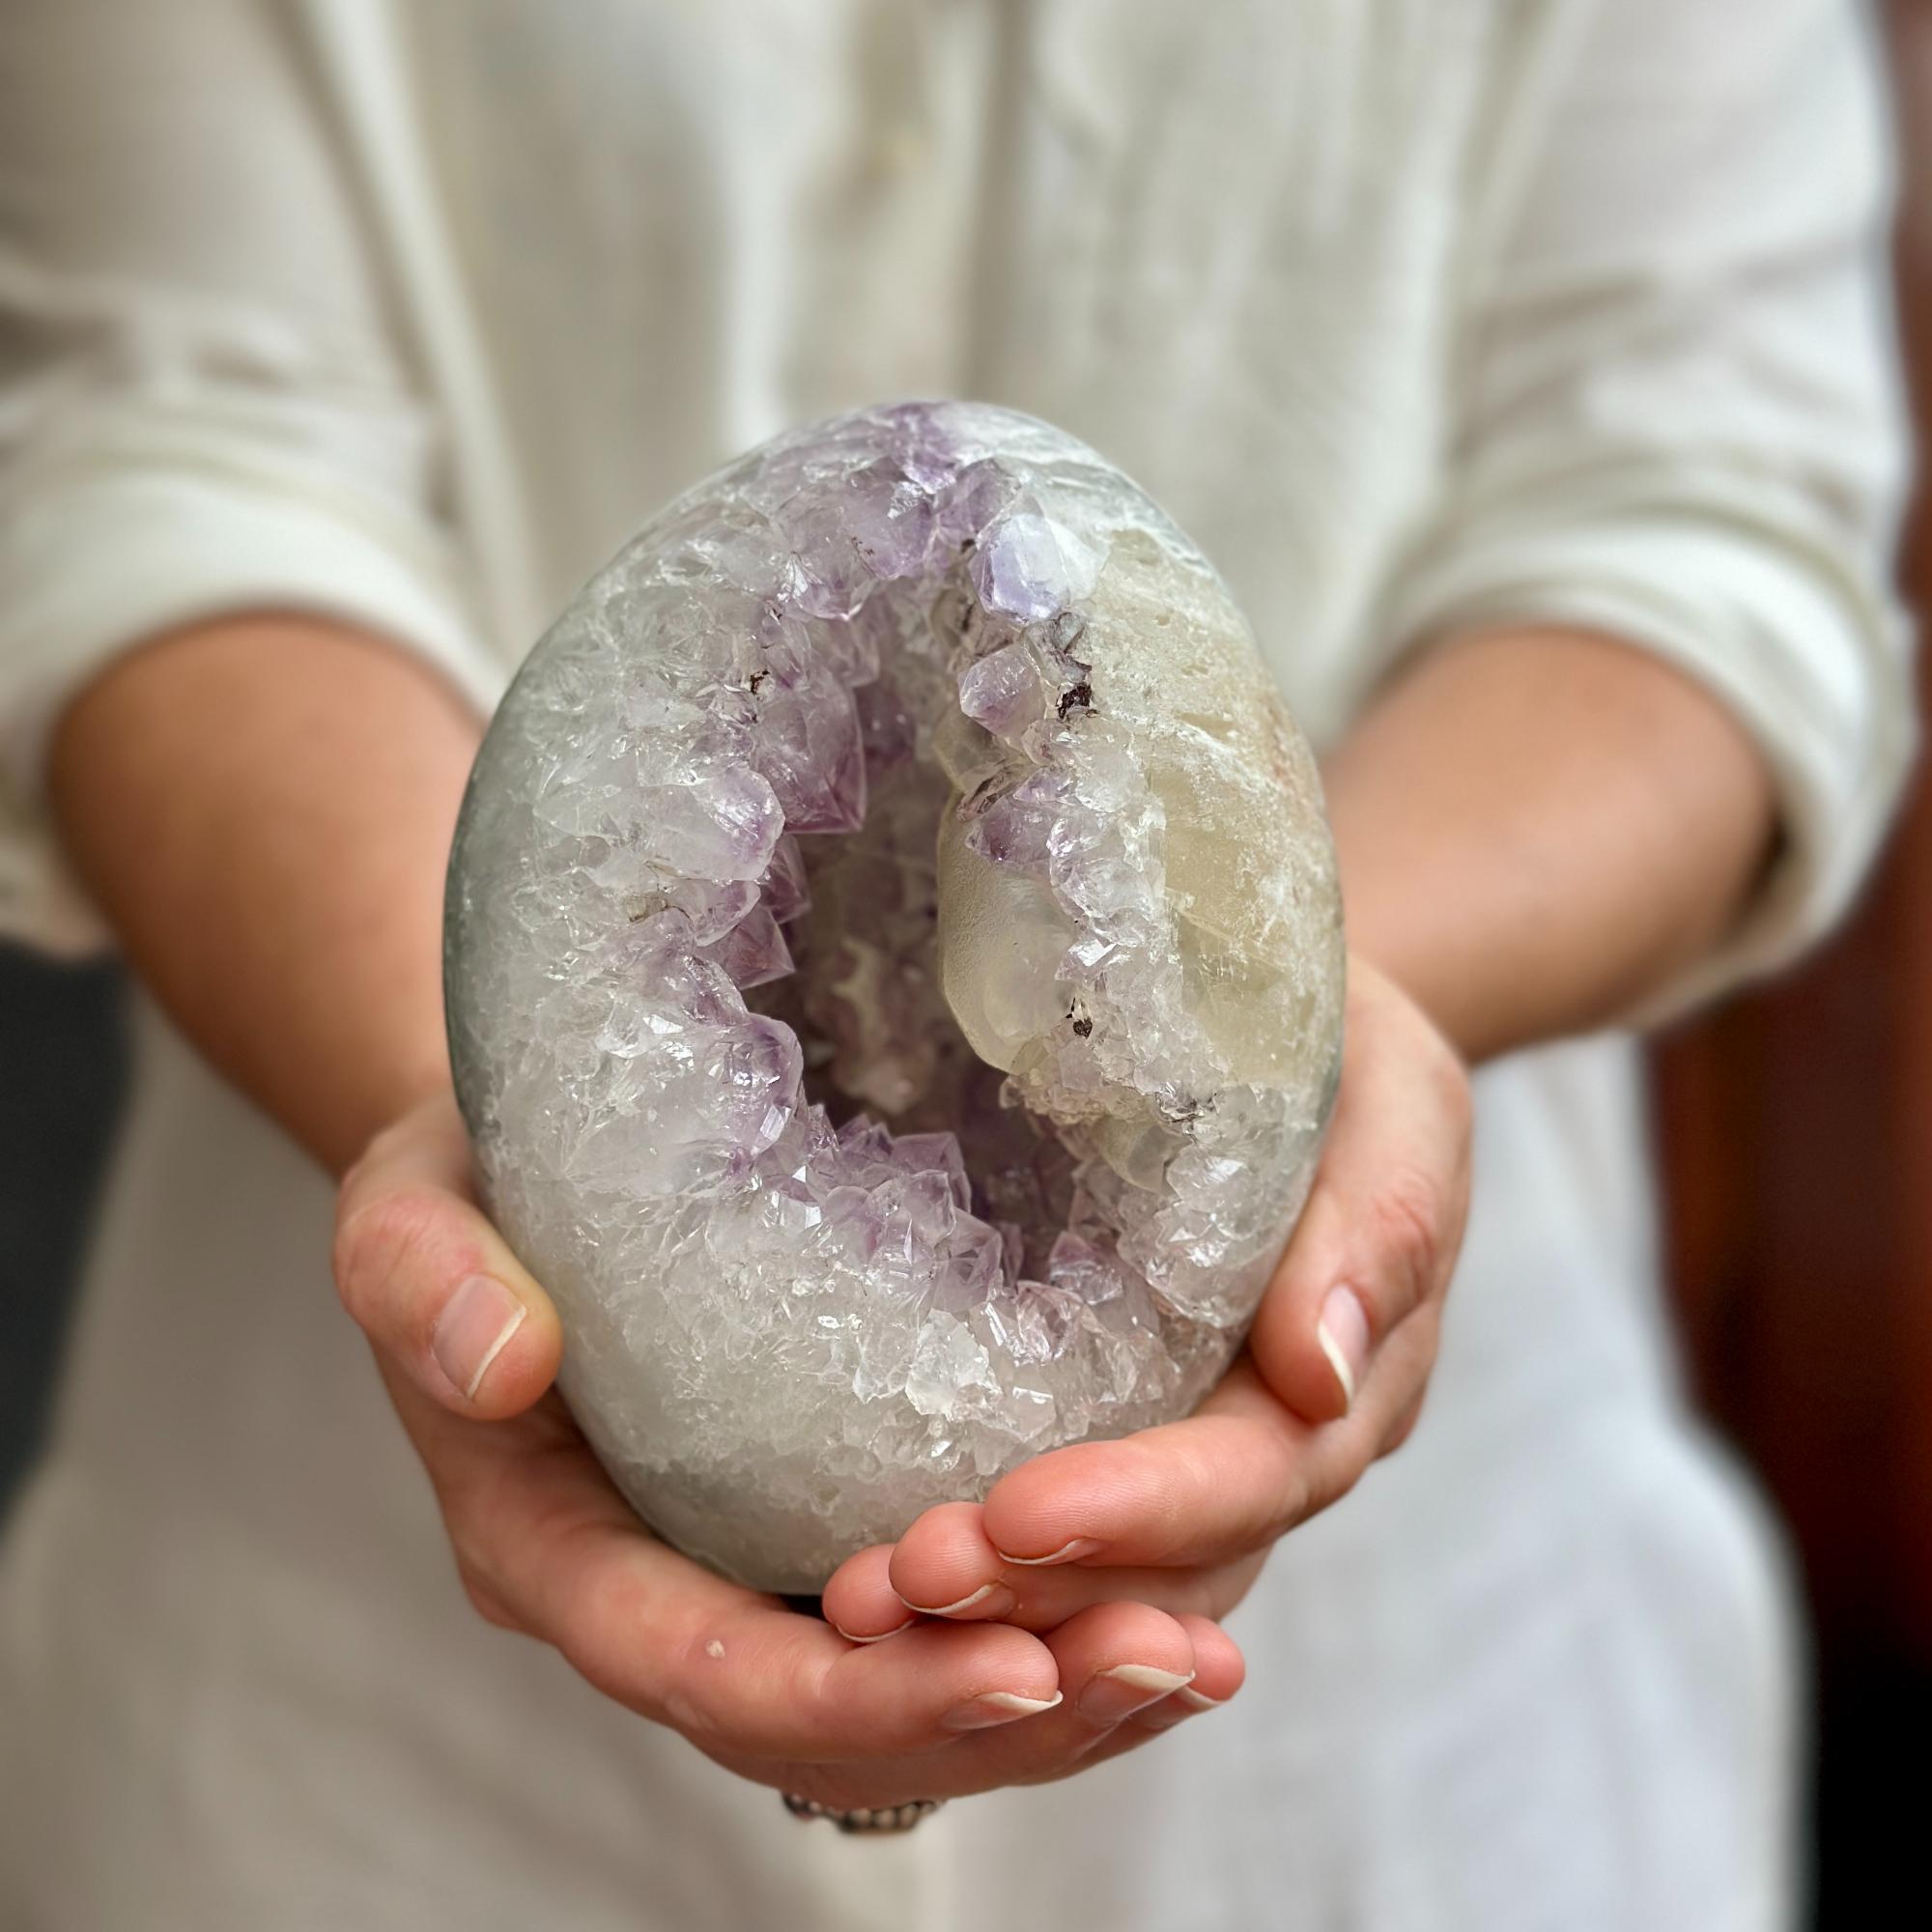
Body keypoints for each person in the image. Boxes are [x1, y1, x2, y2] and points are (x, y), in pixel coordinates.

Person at [0, 1, 1909, 1926]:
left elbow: (1702, 519)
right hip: (347, 1724)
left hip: (1422, 1740)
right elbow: (157, 463)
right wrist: (512, 1139)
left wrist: (1292, 1023)